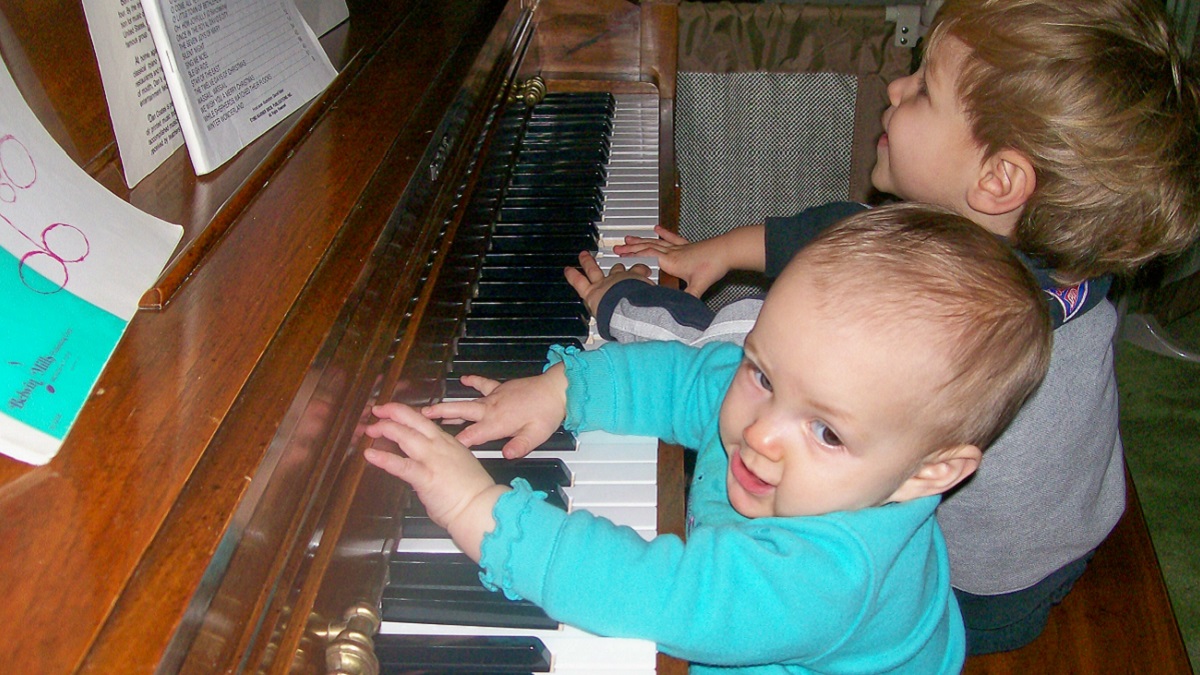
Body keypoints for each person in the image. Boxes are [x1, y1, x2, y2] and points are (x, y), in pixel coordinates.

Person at [566, 0, 1200, 655]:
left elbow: (734, 351)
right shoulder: (1075, 268)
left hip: (964, 593)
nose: (897, 87)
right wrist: (723, 249)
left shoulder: (932, 331)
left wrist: (623, 304)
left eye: (925, 89)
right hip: (1068, 549)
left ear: (998, 179)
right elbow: (841, 232)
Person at [363, 204, 1053, 674]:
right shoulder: (784, 405)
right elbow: (689, 378)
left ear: (929, 473)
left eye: (826, 432)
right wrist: (565, 390)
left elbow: (662, 592)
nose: (760, 432)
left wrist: (478, 511)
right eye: (762, 372)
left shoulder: (826, 576)